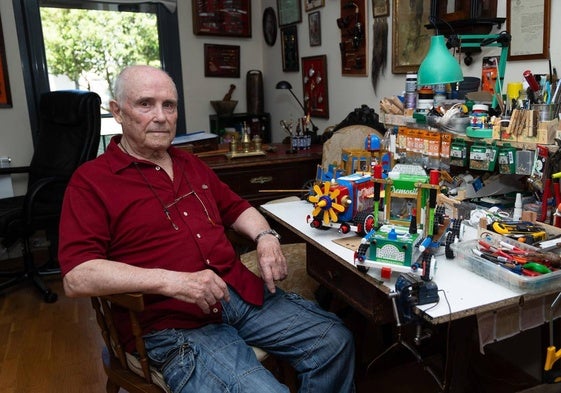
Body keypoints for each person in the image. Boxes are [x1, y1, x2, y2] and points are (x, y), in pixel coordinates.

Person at [58, 65, 355, 393]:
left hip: (237, 293)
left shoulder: (190, 163)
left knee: (334, 341)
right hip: (169, 322)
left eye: (168, 105)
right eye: (146, 104)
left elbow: (237, 208)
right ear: (118, 111)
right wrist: (174, 281)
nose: (160, 116)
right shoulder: (91, 181)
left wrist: (266, 236)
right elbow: (77, 276)